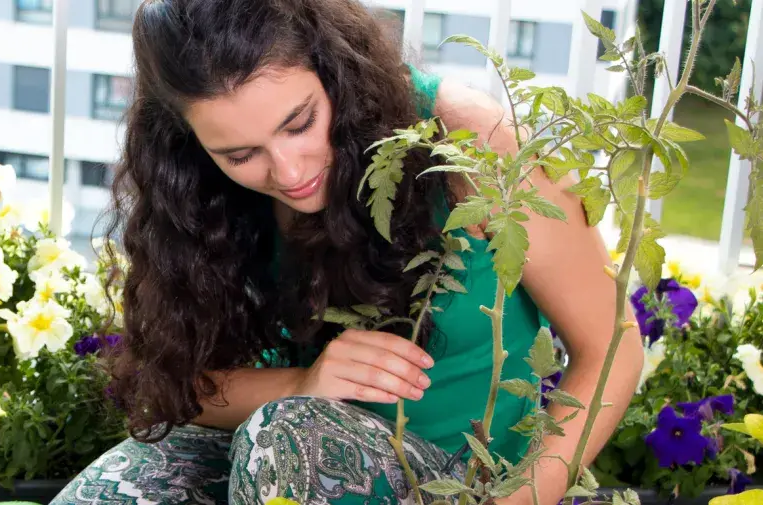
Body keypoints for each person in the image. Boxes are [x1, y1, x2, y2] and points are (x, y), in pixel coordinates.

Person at [52, 0, 645, 504]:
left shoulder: (465, 140)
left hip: (465, 485)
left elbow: (612, 349)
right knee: (123, 486)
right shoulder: (194, 188)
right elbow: (185, 386)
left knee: (288, 437)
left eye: (300, 123)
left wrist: (517, 499)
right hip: (273, 457)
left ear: (333, 68)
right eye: (240, 155)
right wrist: (303, 383)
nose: (288, 172)